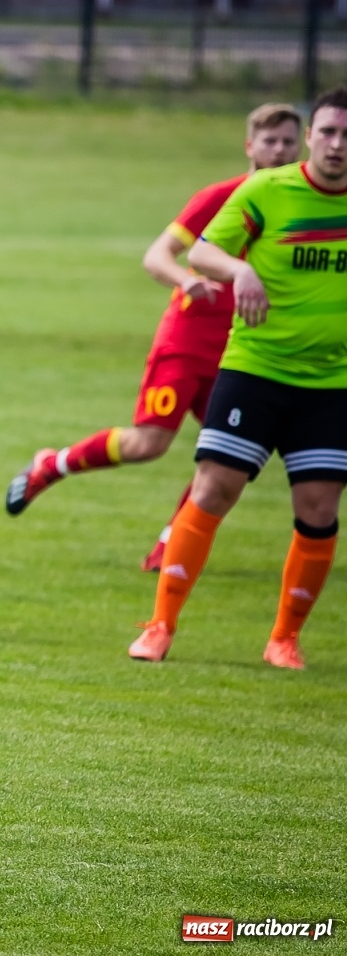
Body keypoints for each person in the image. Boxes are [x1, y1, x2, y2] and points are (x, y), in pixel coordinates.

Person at [5, 104, 302, 572]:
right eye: (270, 141)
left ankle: (170, 543)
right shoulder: (223, 197)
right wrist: (185, 282)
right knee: (148, 444)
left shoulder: (308, 210)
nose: (280, 151)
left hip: (244, 353)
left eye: (288, 142)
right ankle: (51, 465)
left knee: (235, 460)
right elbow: (157, 256)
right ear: (250, 147)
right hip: (187, 341)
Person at [128, 86, 347, 669]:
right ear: (310, 137)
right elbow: (199, 253)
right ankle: (160, 625)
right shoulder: (268, 190)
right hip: (255, 370)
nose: (338, 145)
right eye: (328, 132)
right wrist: (240, 268)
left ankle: (284, 639)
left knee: (320, 507)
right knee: (212, 491)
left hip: (331, 383)